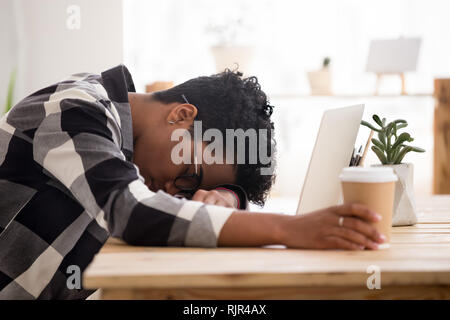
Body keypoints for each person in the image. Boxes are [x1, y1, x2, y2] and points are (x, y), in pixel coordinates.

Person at [0, 65, 385, 300]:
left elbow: (186, 200)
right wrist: (289, 228)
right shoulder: (75, 110)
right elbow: (130, 211)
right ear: (182, 115)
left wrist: (225, 195)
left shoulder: (131, 144)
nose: (173, 191)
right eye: (189, 174)